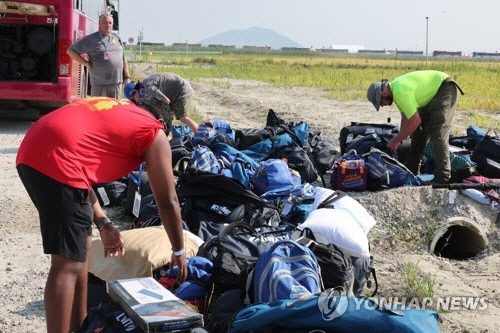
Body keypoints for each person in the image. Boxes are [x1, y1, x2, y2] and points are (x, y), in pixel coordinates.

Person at [16, 97, 187, 333]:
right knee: (68, 263)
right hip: (55, 159)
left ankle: (81, 327)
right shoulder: (153, 129)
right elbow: (168, 202)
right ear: (161, 122)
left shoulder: (119, 110)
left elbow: (80, 170)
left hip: (35, 148)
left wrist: (103, 221)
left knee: (81, 252)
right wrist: (178, 250)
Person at [367, 70, 464, 184]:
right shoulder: (395, 90)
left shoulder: (400, 92)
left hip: (444, 88)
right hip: (430, 96)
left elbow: (414, 120)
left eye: (380, 102)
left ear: (383, 93)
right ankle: (410, 171)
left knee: (437, 132)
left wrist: (395, 141)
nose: (382, 105)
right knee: (419, 132)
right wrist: (399, 138)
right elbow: (406, 118)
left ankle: (442, 177)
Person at [67, 13, 131, 99]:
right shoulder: (91, 39)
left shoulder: (117, 38)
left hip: (116, 83)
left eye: (110, 23)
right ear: (99, 24)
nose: (108, 25)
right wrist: (85, 63)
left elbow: (123, 59)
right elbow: (70, 51)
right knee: (98, 109)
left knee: (113, 109)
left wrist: (127, 77)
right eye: (105, 22)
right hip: (99, 83)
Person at [124, 73, 199, 133]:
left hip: (182, 91)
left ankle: (200, 135)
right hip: (174, 92)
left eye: (133, 99)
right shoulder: (144, 87)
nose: (136, 100)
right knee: (165, 119)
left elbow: (166, 100)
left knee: (183, 118)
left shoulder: (149, 87)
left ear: (135, 92)